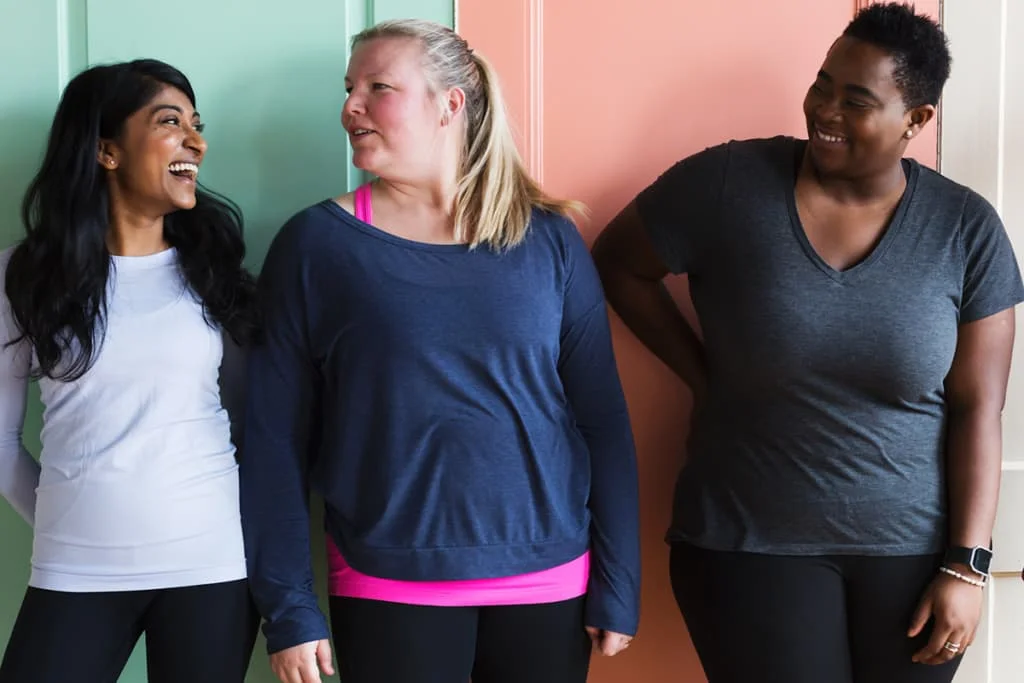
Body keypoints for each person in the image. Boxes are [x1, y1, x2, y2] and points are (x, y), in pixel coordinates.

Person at [592, 4, 1023, 683]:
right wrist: (702, 377)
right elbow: (618, 262)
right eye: (823, 83)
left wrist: (966, 564)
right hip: (746, 543)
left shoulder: (965, 230)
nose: (824, 109)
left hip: (912, 560)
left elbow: (978, 408)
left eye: (857, 100)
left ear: (916, 121)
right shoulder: (728, 185)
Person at [241, 18, 641, 683]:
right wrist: (288, 607)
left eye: (378, 87)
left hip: (550, 582)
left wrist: (619, 579)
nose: (350, 107)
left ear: (450, 103)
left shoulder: (550, 242)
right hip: (388, 579)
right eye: (348, 89)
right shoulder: (316, 246)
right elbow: (272, 438)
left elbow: (601, 420)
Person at [0, 59, 261, 683]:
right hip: (74, 567)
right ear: (106, 151)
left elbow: (258, 428)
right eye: (170, 122)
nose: (196, 140)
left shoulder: (215, 274)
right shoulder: (22, 276)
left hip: (212, 567)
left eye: (197, 124)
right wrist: (78, 521)